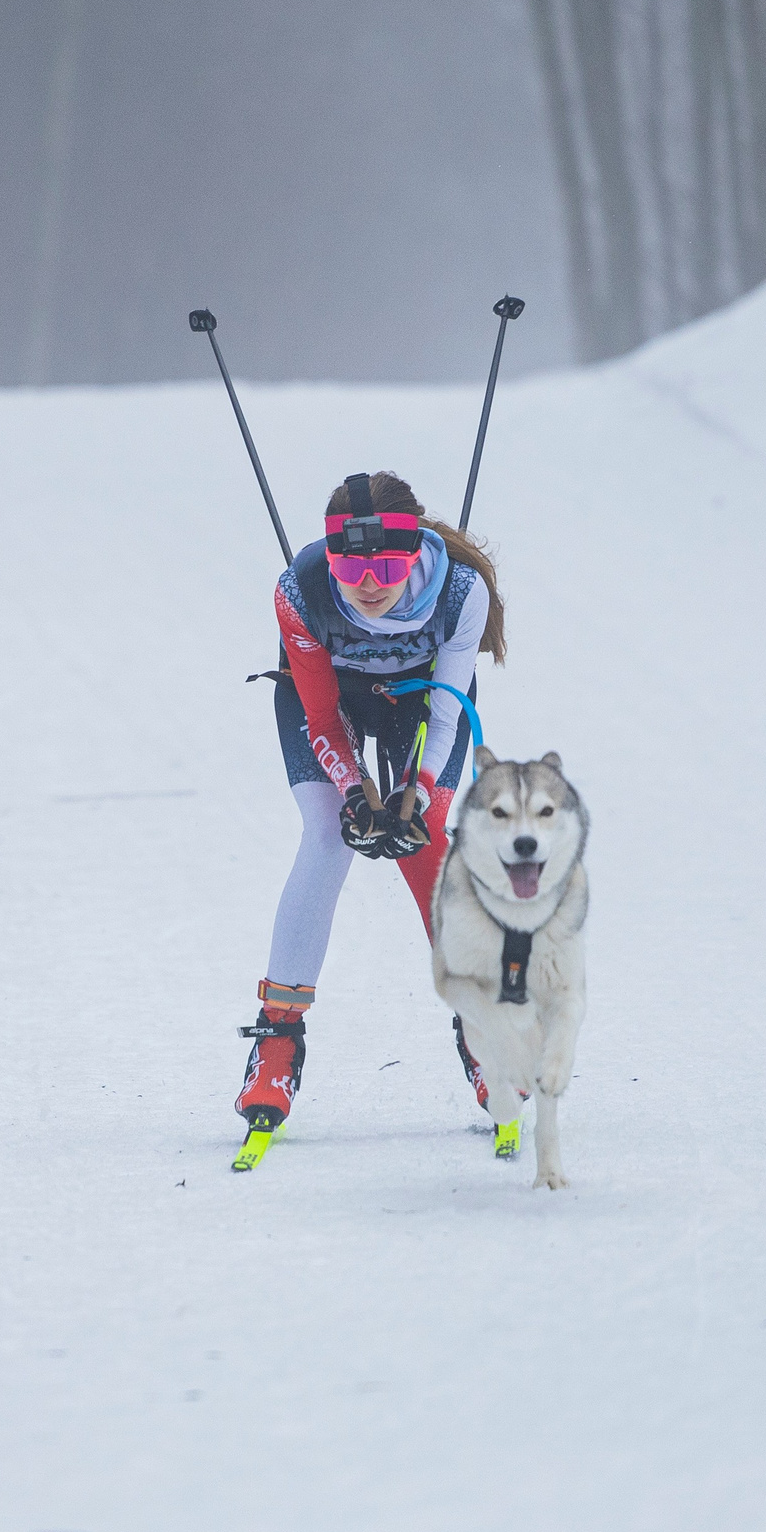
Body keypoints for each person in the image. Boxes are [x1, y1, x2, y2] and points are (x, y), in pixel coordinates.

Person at [235, 470, 508, 1138]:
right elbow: (323, 717)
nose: (368, 583)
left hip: (424, 704)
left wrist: (415, 792)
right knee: (329, 834)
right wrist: (357, 793)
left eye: (386, 564)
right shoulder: (300, 591)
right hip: (330, 706)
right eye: (349, 566)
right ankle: (277, 1039)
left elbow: (446, 710)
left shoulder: (461, 591)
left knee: (425, 832)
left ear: (414, 550)